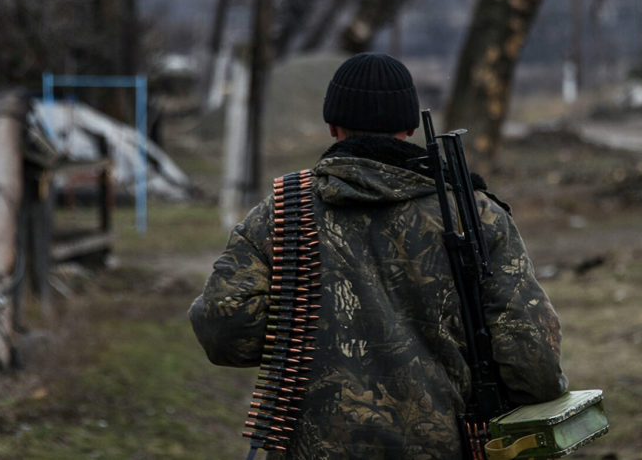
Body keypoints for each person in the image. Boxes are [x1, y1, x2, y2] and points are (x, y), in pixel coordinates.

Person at [188, 52, 568, 459]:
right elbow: (532, 357)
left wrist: (313, 327)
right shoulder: (475, 215)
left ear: (332, 126)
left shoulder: (278, 214)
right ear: (409, 127)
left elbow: (223, 329)